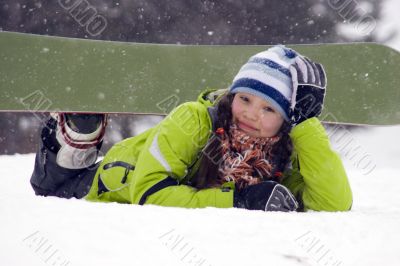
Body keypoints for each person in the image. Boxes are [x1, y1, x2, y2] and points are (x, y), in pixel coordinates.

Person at [30, 45, 353, 212]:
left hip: (139, 185)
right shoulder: (194, 120)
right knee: (49, 189)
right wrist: (239, 200)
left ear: (287, 120)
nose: (252, 114)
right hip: (98, 187)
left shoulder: (285, 147)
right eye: (245, 99)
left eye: (269, 109)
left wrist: (307, 124)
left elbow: (332, 204)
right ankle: (77, 136)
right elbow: (149, 193)